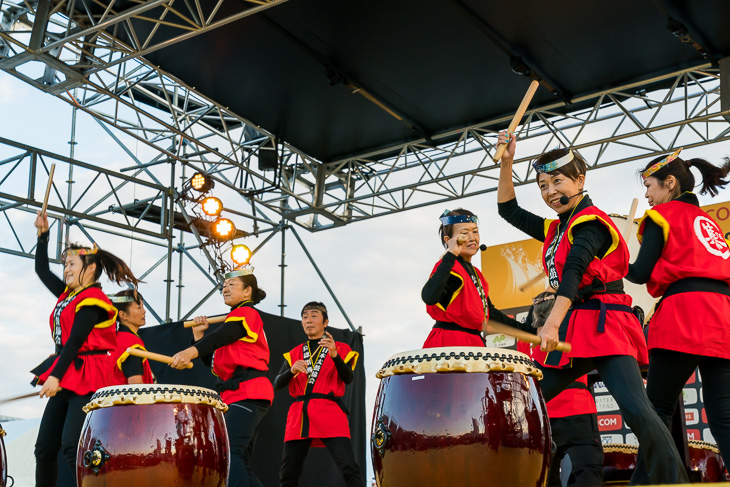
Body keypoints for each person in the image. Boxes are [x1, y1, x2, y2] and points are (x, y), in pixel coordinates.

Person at [495, 131, 688, 484]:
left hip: (605, 323)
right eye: (542, 185)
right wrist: (506, 163)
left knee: (637, 410)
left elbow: (574, 273)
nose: (550, 191)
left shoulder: (591, 221)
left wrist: (550, 325)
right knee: (529, 403)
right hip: (577, 324)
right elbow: (507, 209)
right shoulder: (557, 227)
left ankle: (674, 481)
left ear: (579, 180)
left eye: (557, 181)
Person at [626, 149, 730, 475]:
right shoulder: (708, 221)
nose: (646, 194)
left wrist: (608, 260)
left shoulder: (663, 215)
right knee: (725, 414)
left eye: (649, 185)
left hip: (685, 313)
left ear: (669, 183)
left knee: (657, 409)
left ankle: (646, 482)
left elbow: (640, 273)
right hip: (722, 315)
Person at [32, 211, 140, 487]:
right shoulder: (71, 296)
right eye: (65, 264)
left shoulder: (95, 300)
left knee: (73, 448)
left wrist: (54, 375)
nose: (66, 269)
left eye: (71, 264)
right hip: (67, 372)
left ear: (89, 268)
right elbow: (42, 271)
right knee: (44, 449)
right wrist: (42, 236)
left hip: (86, 375)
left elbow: (75, 341)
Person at [170, 266, 273, 487]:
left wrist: (189, 352)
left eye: (231, 285)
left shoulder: (246, 314)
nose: (225, 289)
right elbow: (214, 362)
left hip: (249, 391)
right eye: (223, 286)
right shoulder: (235, 321)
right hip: (239, 393)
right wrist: (198, 337)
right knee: (240, 460)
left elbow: (220, 338)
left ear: (247, 292)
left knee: (228, 454)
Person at [274, 302, 364, 487]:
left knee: (348, 466)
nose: (308, 320)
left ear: (325, 322)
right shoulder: (295, 353)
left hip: (328, 410)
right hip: (299, 414)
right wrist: (291, 371)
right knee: (288, 472)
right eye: (305, 317)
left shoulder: (340, 348)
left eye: (314, 315)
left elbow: (348, 378)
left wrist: (334, 355)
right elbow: (277, 384)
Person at [518, 292, 603, 487]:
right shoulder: (571, 329)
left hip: (542, 415)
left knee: (544, 478)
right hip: (578, 411)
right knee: (588, 473)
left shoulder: (525, 340)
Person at [421, 208, 531, 348]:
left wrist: (531, 332)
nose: (472, 238)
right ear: (449, 240)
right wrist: (450, 254)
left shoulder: (476, 273)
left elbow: (491, 315)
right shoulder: (451, 269)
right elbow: (429, 296)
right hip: (451, 342)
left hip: (473, 341)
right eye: (464, 234)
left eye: (475, 231)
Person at [109, 289, 155, 384]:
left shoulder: (115, 340)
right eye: (139, 307)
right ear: (123, 315)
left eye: (143, 306)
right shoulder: (131, 343)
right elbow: (135, 387)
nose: (144, 311)